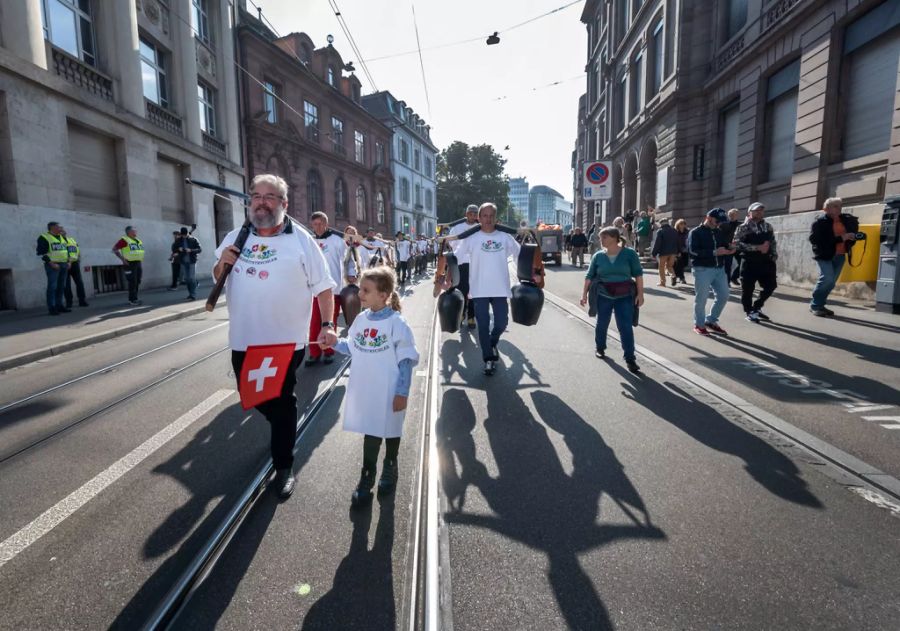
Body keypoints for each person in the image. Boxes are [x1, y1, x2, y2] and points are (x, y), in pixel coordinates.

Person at [214, 173, 336, 499]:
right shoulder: (236, 237)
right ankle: (283, 429)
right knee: (251, 394)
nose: (262, 202)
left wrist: (326, 325)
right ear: (250, 201)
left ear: (283, 204)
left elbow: (324, 288)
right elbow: (218, 276)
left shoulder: (301, 240)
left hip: (286, 341)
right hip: (244, 338)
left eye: (270, 197)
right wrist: (221, 263)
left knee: (282, 402)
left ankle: (284, 466)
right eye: (256, 195)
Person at [328, 266, 419, 506]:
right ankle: (367, 475)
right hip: (368, 389)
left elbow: (406, 361)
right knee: (371, 432)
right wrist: (334, 342)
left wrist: (402, 392)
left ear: (384, 294)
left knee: (390, 431)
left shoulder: (397, 324)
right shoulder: (360, 318)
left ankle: (390, 464)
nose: (360, 294)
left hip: (389, 391)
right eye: (360, 289)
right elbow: (352, 347)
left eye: (366, 290)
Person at [452, 203, 522, 375]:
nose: (488, 219)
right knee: (482, 325)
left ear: (496, 218)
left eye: (491, 216)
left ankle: (491, 342)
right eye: (484, 216)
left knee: (501, 323)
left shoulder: (505, 237)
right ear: (479, 218)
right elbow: (457, 258)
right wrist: (446, 276)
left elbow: (519, 254)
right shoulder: (471, 238)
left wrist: (530, 274)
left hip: (500, 289)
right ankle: (488, 359)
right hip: (479, 290)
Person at [580, 226, 644, 373]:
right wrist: (584, 294)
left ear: (615, 238)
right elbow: (589, 276)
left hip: (625, 295)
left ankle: (630, 358)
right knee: (602, 323)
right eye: (601, 237)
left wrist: (640, 294)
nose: (601, 240)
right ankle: (600, 348)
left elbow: (638, 275)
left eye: (604, 237)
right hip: (604, 294)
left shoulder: (629, 254)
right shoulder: (598, 256)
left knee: (625, 327)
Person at [307, 211, 353, 366]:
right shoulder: (309, 241)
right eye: (314, 224)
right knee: (314, 322)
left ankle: (328, 351)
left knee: (329, 322)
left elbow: (349, 260)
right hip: (314, 289)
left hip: (333, 289)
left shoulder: (337, 241)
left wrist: (352, 275)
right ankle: (314, 352)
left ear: (326, 224)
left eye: (320, 224)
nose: (317, 227)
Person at [687, 208, 735, 335]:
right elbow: (692, 251)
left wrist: (730, 248)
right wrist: (714, 252)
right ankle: (699, 324)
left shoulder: (718, 232)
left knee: (724, 295)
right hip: (702, 269)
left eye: (721, 221)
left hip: (719, 269)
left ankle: (711, 320)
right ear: (708, 218)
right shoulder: (695, 232)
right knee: (701, 298)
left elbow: (724, 245)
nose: (719, 223)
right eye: (717, 220)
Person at [809, 196, 859, 317]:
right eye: (835, 206)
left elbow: (850, 237)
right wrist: (841, 238)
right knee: (827, 278)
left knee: (831, 282)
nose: (839, 208)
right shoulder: (819, 222)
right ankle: (815, 305)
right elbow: (814, 240)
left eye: (840, 206)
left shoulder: (846, 220)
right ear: (826, 209)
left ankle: (820, 305)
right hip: (825, 255)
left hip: (840, 255)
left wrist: (852, 237)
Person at [734, 202, 777, 322]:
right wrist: (757, 247)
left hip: (766, 262)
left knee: (771, 286)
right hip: (749, 262)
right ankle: (749, 311)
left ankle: (757, 307)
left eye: (761, 210)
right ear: (750, 212)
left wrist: (774, 255)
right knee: (748, 289)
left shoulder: (768, 226)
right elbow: (736, 244)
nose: (759, 212)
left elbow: (772, 241)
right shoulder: (743, 227)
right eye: (756, 210)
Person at [449, 204, 480, 329]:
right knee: (462, 290)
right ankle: (461, 314)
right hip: (462, 263)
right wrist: (462, 248)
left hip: (476, 263)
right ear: (466, 214)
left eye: (475, 214)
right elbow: (452, 242)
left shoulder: (481, 228)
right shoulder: (457, 228)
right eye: (470, 213)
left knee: (474, 291)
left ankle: (471, 316)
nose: (472, 216)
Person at [36, 221, 70, 315]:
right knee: (52, 286)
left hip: (63, 264)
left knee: (61, 286)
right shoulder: (44, 237)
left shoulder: (62, 237)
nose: (61, 229)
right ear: (53, 228)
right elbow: (41, 253)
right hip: (53, 265)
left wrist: (68, 262)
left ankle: (59, 305)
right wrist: (51, 263)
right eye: (59, 227)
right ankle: (52, 307)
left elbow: (65, 250)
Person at [112, 225, 144, 306]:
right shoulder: (124, 240)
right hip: (129, 264)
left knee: (138, 281)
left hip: (138, 263)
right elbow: (114, 249)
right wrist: (123, 259)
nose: (136, 232)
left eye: (136, 231)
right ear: (129, 232)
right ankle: (132, 300)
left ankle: (135, 298)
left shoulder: (138, 240)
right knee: (132, 281)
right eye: (134, 231)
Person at [61, 228, 88, 308]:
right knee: (67, 284)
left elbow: (77, 249)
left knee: (79, 282)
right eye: (61, 230)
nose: (63, 231)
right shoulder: (58, 242)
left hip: (74, 263)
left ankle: (82, 300)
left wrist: (78, 258)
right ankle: (69, 302)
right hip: (64, 264)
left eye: (63, 230)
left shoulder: (71, 240)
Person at [650, 218, 680, 287]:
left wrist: (654, 253)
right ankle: (673, 276)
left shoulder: (660, 231)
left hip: (663, 252)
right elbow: (678, 242)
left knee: (661, 267)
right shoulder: (674, 231)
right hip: (673, 252)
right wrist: (678, 251)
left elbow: (658, 243)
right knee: (670, 266)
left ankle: (662, 283)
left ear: (661, 223)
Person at [175, 227, 202, 301]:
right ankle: (190, 294)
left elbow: (199, 249)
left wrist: (191, 250)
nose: (184, 236)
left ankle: (193, 295)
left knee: (192, 278)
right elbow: (174, 248)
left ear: (187, 233)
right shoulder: (179, 240)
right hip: (183, 262)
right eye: (182, 235)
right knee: (187, 279)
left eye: (185, 235)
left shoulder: (193, 239)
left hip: (192, 261)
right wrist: (178, 249)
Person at [718, 208, 741, 286]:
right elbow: (720, 236)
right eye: (731, 215)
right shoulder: (723, 225)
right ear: (728, 215)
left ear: (737, 215)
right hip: (727, 248)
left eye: (734, 214)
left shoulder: (741, 225)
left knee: (742, 264)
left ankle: (734, 277)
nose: (732, 216)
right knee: (728, 266)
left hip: (738, 247)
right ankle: (727, 282)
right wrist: (728, 245)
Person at [672, 218, 689, 285]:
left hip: (686, 250)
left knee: (685, 264)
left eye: (684, 224)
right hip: (678, 251)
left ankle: (676, 276)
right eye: (681, 224)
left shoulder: (687, 232)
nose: (682, 225)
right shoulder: (675, 232)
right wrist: (676, 252)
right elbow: (674, 242)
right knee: (680, 265)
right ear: (678, 225)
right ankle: (682, 278)